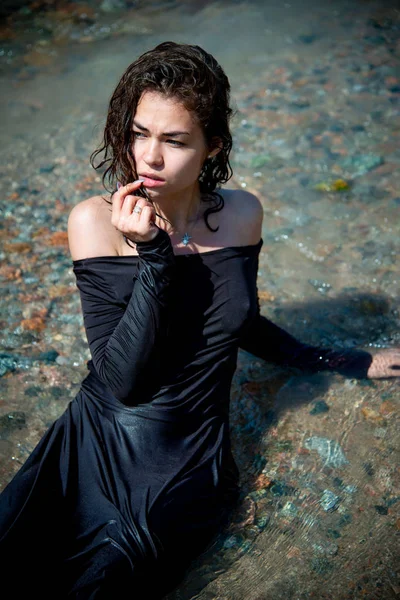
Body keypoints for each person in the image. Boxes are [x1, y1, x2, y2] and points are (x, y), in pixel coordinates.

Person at [0, 41, 399, 600]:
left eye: (175, 140)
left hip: (194, 460)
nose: (149, 158)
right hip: (104, 445)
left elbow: (240, 322)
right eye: (139, 133)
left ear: (213, 146)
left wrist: (345, 360)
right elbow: (122, 381)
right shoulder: (97, 222)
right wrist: (155, 257)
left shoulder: (241, 214)